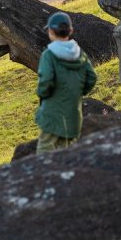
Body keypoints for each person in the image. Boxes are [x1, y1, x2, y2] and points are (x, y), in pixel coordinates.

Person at [36, 12, 97, 154]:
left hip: (52, 112)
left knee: (44, 151)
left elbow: (45, 81)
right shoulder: (79, 54)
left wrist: (43, 93)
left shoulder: (49, 55)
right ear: (70, 31)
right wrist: (78, 91)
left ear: (50, 32)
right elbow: (92, 77)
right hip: (73, 115)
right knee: (69, 154)